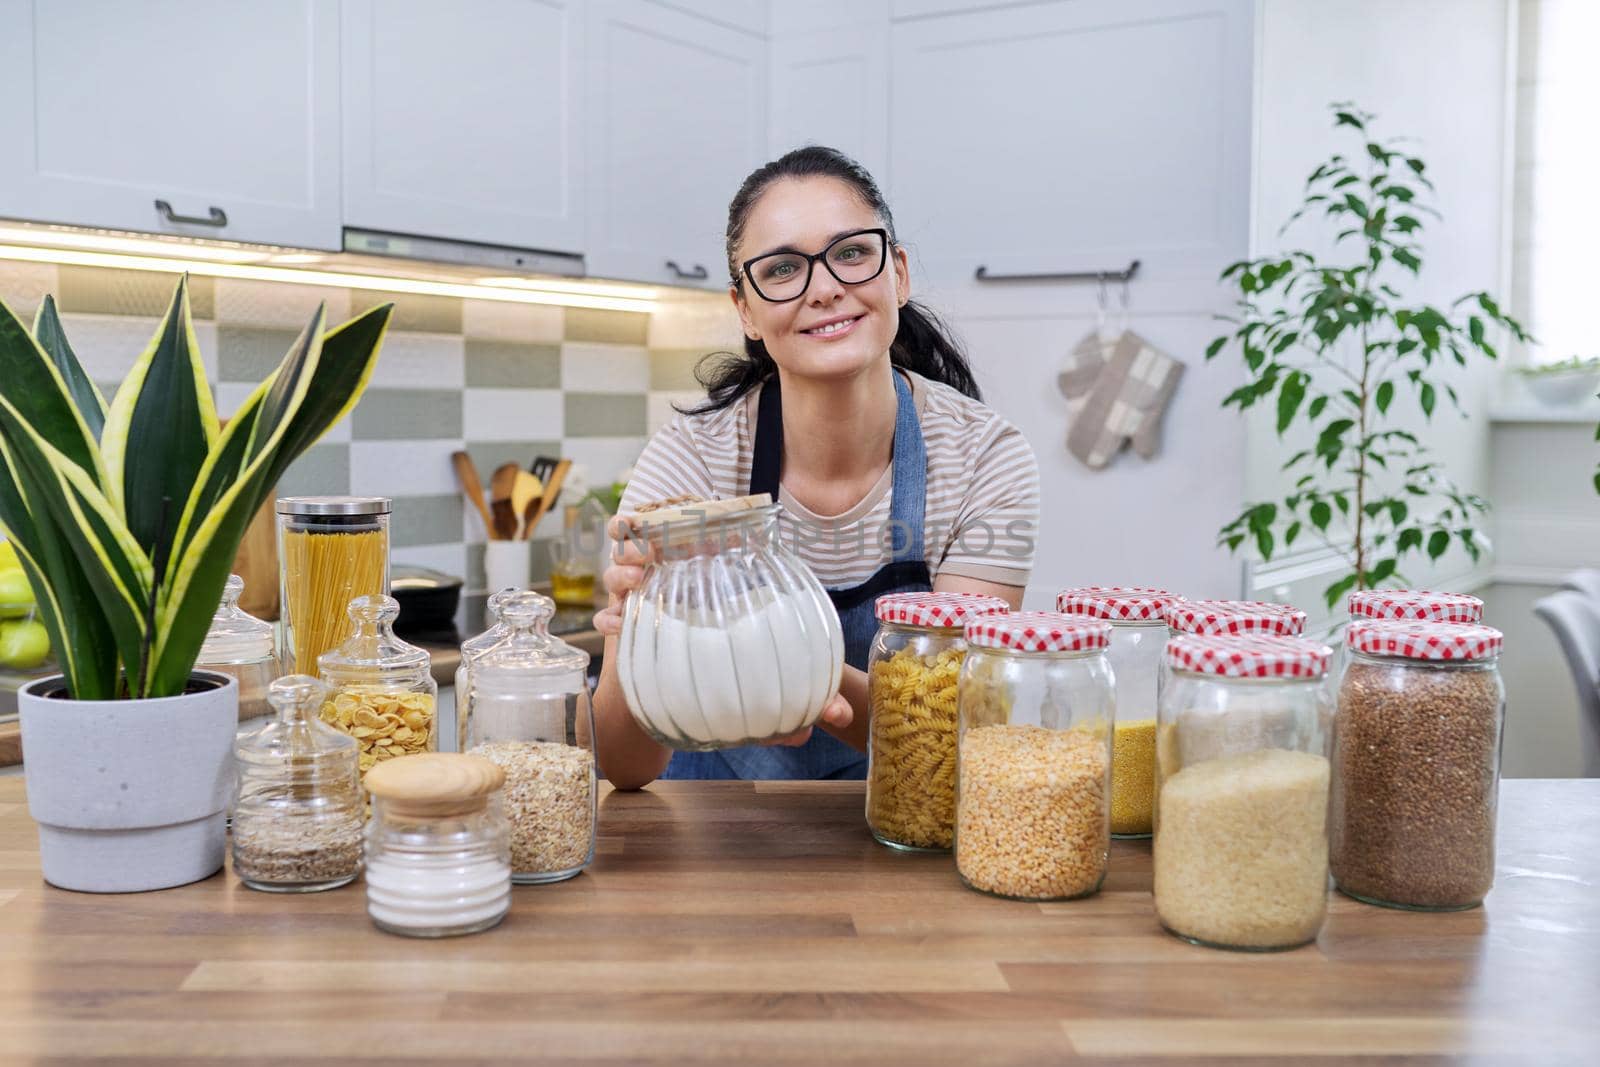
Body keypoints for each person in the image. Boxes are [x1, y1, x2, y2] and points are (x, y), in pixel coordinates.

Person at [591, 145, 1039, 788]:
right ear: (745, 309)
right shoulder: (691, 458)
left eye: (852, 253)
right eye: (781, 269)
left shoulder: (984, 458)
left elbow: (959, 731)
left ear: (899, 274)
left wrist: (789, 668)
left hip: (893, 824)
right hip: (703, 841)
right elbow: (624, 767)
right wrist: (638, 631)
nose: (825, 289)